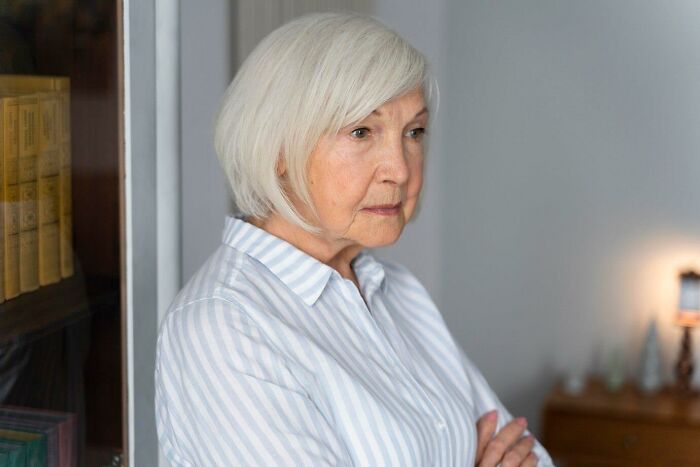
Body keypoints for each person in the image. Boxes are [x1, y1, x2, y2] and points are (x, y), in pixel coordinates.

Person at [155, 12, 554, 467]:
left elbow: (528, 456)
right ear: (278, 151)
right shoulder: (223, 327)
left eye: (414, 132)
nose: (400, 170)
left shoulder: (398, 292)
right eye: (362, 131)